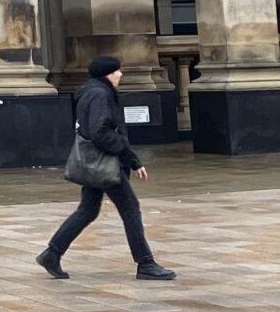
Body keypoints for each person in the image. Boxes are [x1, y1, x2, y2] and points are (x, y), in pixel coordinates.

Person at [39, 54, 177, 282]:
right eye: (116, 71)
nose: (120, 74)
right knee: (131, 209)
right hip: (106, 164)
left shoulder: (91, 91)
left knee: (87, 210)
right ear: (107, 74)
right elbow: (100, 131)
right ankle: (145, 263)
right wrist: (131, 158)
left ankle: (52, 253)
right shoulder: (100, 94)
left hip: (96, 164)